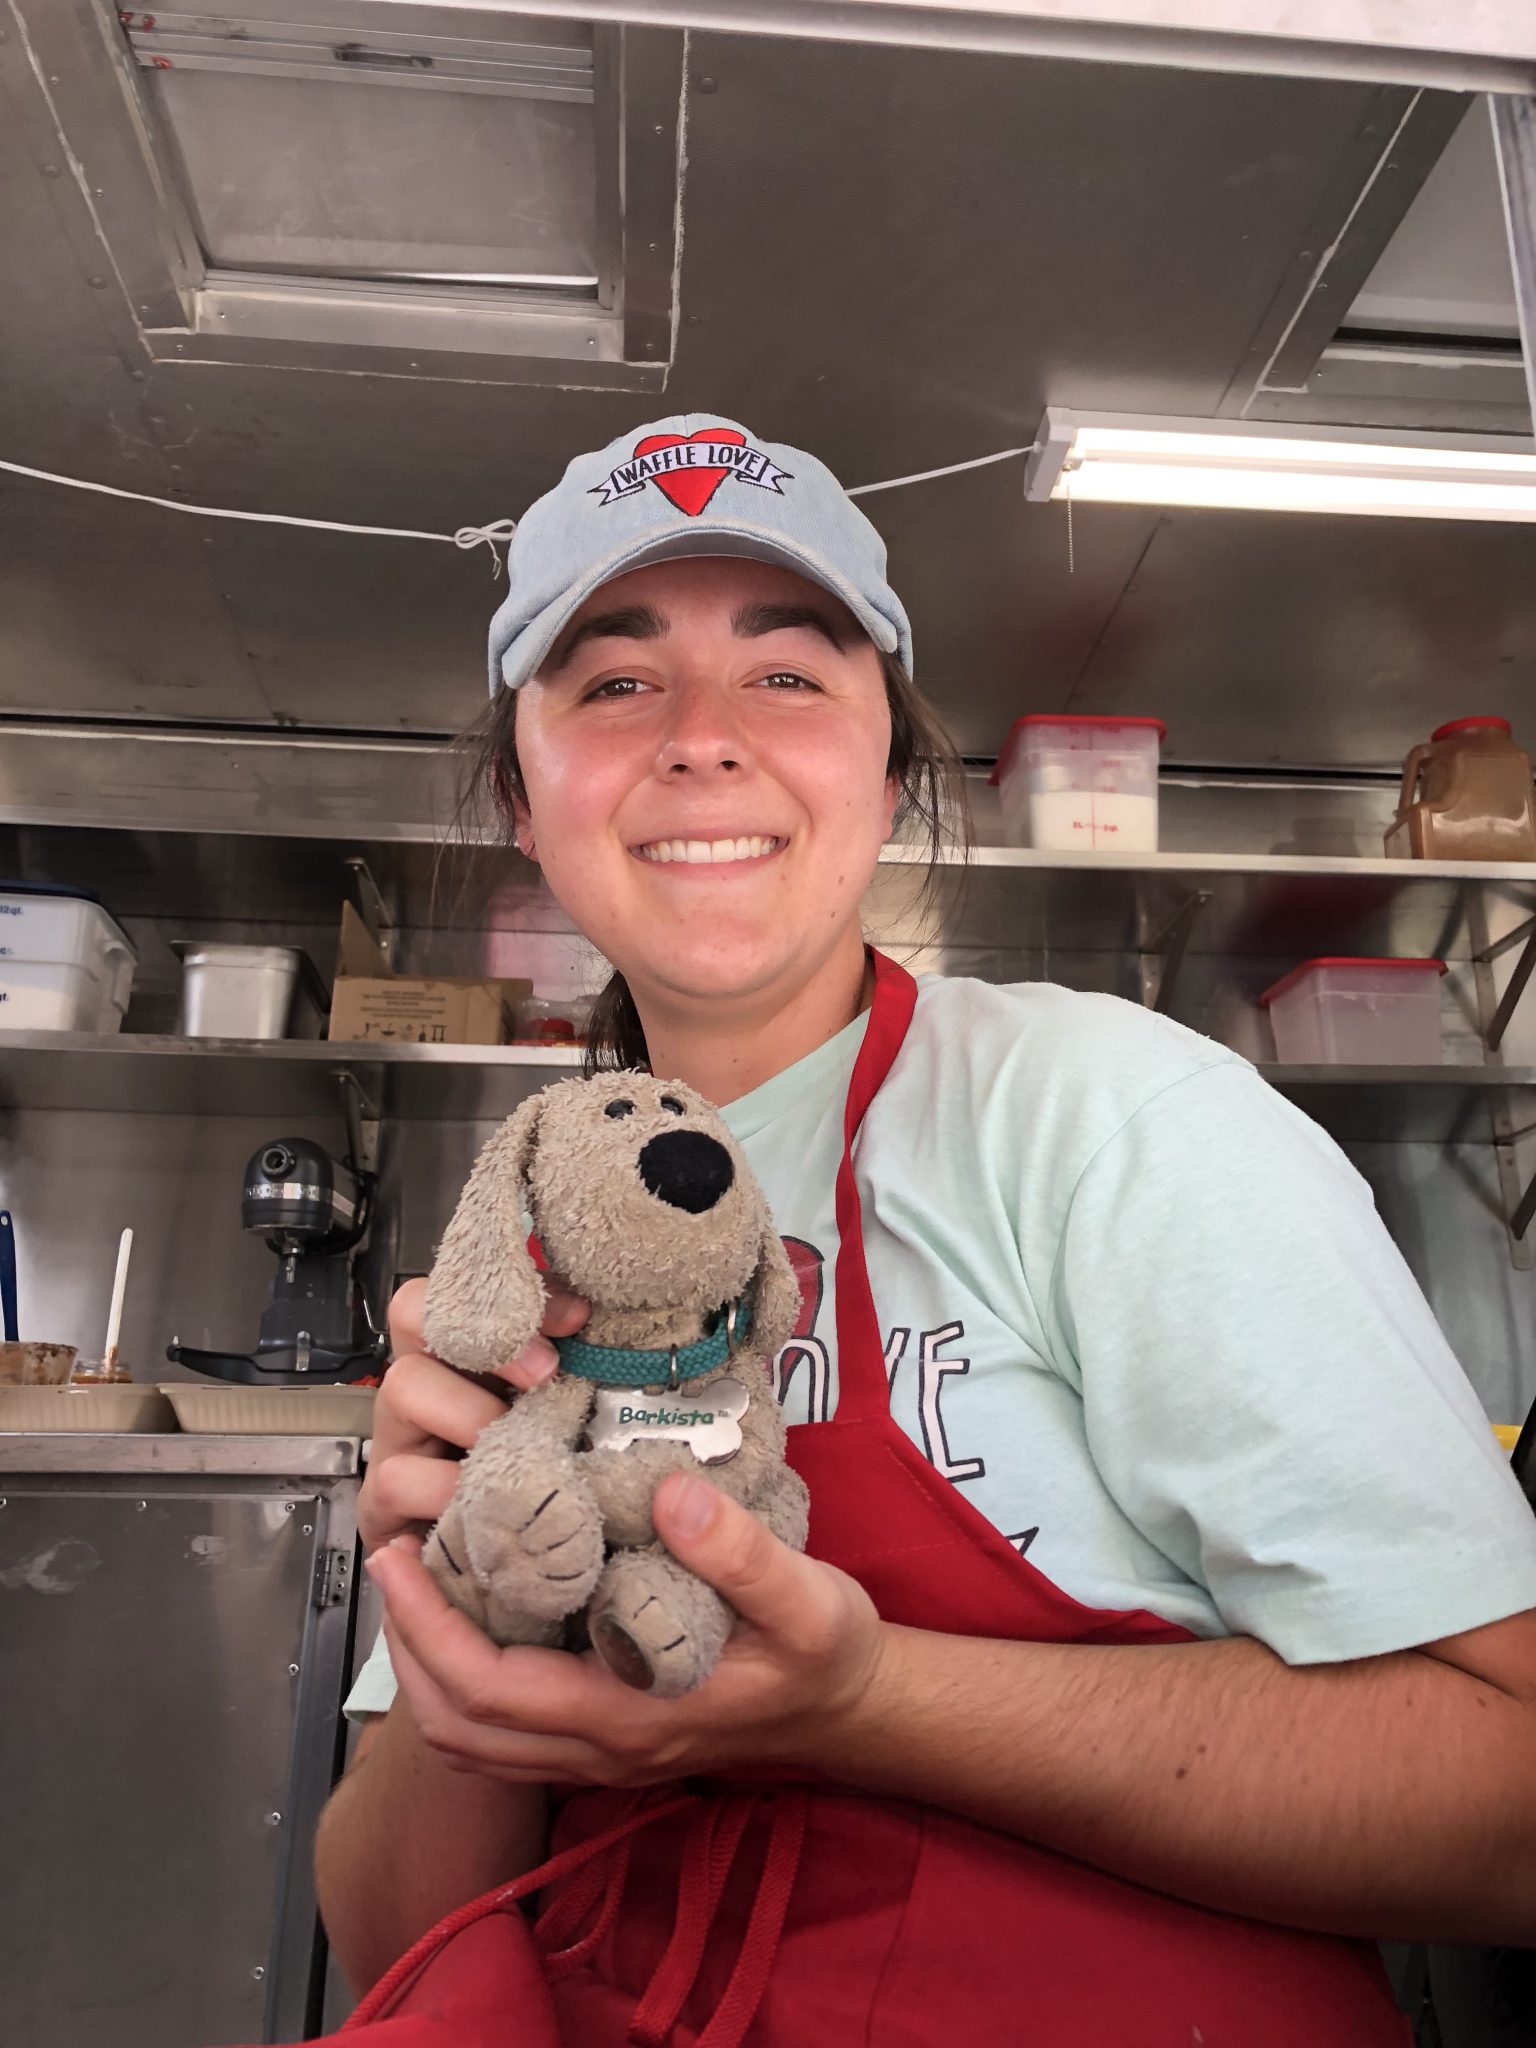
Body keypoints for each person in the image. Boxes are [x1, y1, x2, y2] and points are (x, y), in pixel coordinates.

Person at [314, 415, 1536, 2047]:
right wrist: (466, 1618)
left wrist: (871, 1704)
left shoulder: (1104, 1116)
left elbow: (1510, 1809)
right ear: (525, 802)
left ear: (893, 780)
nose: (701, 739)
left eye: (790, 671)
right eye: (613, 681)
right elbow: (392, 1931)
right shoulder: (525, 1239)